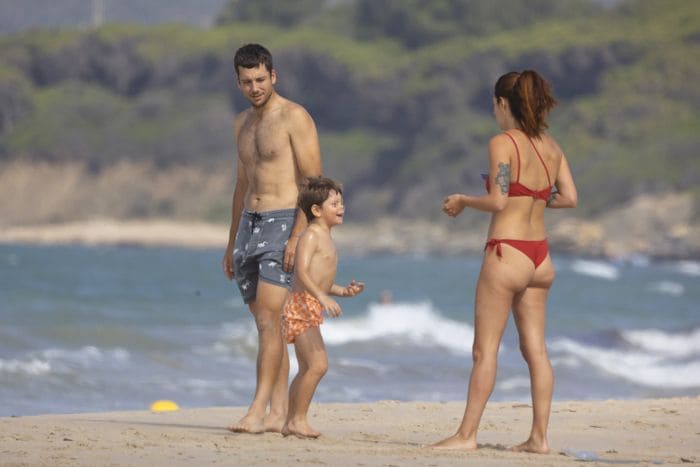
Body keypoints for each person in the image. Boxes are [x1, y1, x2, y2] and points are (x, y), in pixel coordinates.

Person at [433, 70, 577, 453]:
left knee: (485, 350)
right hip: (540, 256)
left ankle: (466, 436)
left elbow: (497, 201)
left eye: (494, 105)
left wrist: (463, 200)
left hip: (507, 251)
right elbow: (569, 198)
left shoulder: (503, 142)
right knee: (537, 351)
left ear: (502, 103)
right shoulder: (551, 146)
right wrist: (532, 197)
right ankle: (539, 439)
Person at [222, 43, 322, 434]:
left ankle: (257, 410)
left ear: (273, 76)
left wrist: (299, 235)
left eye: (261, 79)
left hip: (284, 220)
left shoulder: (295, 117)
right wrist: (231, 241)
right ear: (238, 82)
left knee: (269, 321)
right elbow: (241, 182)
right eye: (247, 82)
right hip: (250, 222)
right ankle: (279, 412)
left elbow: (313, 182)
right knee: (269, 324)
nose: (254, 87)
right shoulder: (241, 124)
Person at [281, 176, 364, 438]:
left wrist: (342, 291)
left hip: (309, 304)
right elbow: (302, 273)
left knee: (308, 368)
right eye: (334, 203)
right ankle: (297, 420)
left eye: (341, 202)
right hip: (300, 305)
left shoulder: (327, 237)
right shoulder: (312, 235)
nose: (341, 208)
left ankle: (291, 421)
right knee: (318, 366)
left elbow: (322, 282)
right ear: (316, 210)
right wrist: (323, 297)